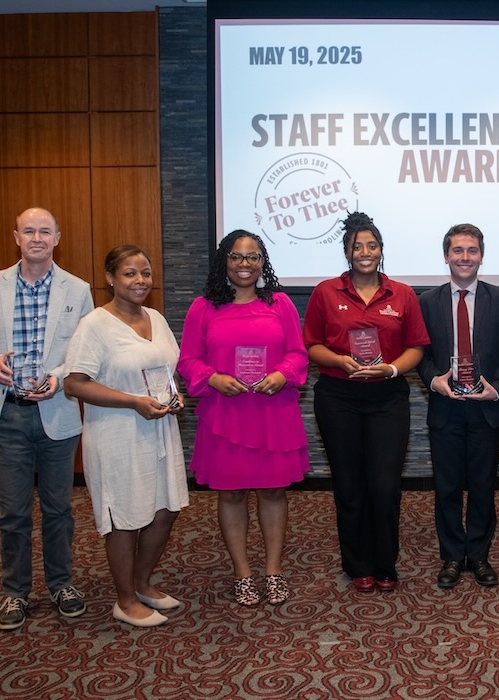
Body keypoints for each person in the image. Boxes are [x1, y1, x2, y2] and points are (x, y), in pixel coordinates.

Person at [0, 207, 93, 631]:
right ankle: (15, 593)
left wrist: (57, 377)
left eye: (45, 231)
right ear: (16, 236)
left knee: (58, 509)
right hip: (8, 417)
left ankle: (61, 584)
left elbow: (85, 349)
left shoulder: (79, 289)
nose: (37, 237)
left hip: (56, 416)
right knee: (12, 513)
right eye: (29, 230)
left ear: (57, 238)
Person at [178, 230, 309, 606]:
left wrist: (283, 373)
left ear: (262, 261)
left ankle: (272, 569)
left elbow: (298, 354)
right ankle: (242, 572)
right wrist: (213, 378)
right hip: (225, 414)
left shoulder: (280, 303)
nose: (245, 264)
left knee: (273, 491)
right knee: (231, 494)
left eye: (252, 257)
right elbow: (188, 360)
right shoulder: (202, 307)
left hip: (271, 412)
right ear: (225, 262)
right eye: (236, 257)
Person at [303, 211, 430, 593]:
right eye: (357, 246)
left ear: (381, 250)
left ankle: (385, 563)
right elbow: (312, 344)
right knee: (349, 484)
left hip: (387, 398)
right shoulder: (326, 292)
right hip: (338, 396)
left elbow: (416, 348)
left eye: (371, 245)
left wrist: (391, 370)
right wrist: (339, 360)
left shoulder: (402, 294)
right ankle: (358, 563)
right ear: (346, 252)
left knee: (384, 484)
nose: (364, 252)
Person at [64, 245, 189, 627]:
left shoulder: (156, 318)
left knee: (165, 509)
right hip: (117, 433)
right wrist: (132, 401)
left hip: (160, 429)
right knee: (124, 517)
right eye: (130, 273)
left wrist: (175, 392)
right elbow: (74, 384)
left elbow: (170, 370)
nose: (140, 281)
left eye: (146, 273)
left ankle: (142, 584)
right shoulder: (94, 325)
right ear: (111, 279)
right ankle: (123, 600)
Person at [418, 224, 499, 589]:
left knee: (482, 486)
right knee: (446, 487)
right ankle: (451, 556)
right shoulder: (427, 300)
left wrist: (498, 387)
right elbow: (422, 355)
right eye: (458, 250)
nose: (465, 257)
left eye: (472, 250)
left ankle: (477, 555)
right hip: (445, 408)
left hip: (485, 408)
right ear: (446, 256)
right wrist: (435, 380)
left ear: (481, 255)